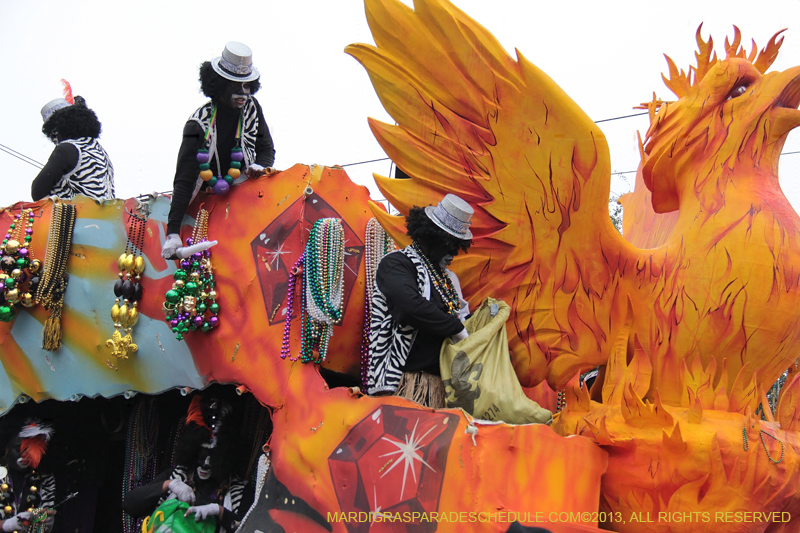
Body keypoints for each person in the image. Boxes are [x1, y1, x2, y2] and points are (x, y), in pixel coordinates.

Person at [161, 42, 276, 259]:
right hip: (207, 208)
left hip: (247, 201)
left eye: (247, 85)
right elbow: (184, 180)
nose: (243, 93)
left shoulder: (252, 107)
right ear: (219, 86)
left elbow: (266, 148)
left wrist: (260, 166)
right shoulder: (197, 125)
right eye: (235, 86)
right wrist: (173, 233)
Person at [367, 194, 473, 408]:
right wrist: (456, 328)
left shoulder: (449, 279)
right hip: (404, 385)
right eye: (449, 244)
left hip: (442, 388)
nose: (454, 253)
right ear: (431, 238)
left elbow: (463, 317)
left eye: (458, 246)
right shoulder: (396, 264)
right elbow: (410, 307)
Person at [122, 395, 253, 532]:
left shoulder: (238, 490)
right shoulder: (177, 475)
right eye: (200, 455)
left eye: (212, 457)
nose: (204, 464)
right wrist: (169, 484)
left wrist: (219, 511)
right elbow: (129, 504)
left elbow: (250, 529)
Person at [32, 92, 115, 201]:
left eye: (53, 133)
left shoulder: (67, 149)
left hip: (77, 215)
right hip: (105, 216)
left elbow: (37, 191)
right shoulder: (101, 153)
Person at [0, 420, 56, 533]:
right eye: (18, 449)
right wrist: (6, 525)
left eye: (29, 450)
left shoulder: (45, 481)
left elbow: (41, 529)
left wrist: (44, 525)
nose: (24, 455)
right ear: (7, 448)